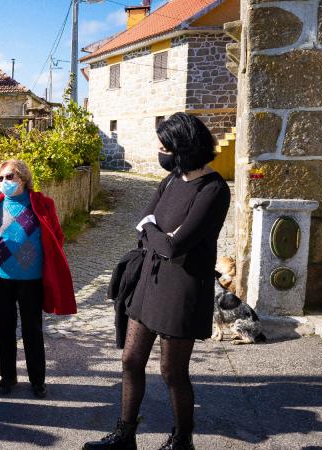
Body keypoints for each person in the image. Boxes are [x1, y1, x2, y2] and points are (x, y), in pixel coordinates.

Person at [83, 112, 230, 450]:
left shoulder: (213, 189)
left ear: (185, 147)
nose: (161, 153)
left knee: (172, 372)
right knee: (130, 360)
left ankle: (182, 441)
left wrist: (156, 233)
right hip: (149, 282)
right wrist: (158, 234)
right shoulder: (172, 179)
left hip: (183, 288)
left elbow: (175, 246)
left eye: (165, 147)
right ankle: (125, 436)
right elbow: (144, 224)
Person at [0, 159, 76, 398]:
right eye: (0, 179)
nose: (4, 182)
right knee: (4, 328)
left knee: (32, 329)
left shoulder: (43, 204)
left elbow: (57, 235)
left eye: (9, 177)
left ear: (24, 178)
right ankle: (7, 377)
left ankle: (37, 380)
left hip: (31, 278)